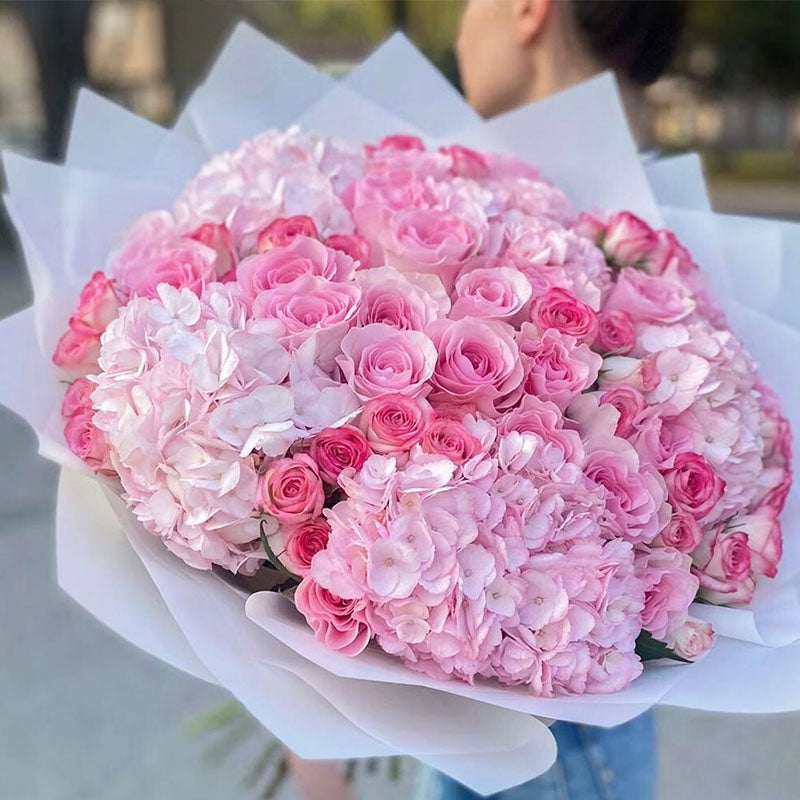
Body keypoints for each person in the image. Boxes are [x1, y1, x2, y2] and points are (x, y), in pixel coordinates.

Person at [437, 2, 686, 799]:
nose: (457, 30)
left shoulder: (619, 240)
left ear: (527, 10)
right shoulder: (654, 228)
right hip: (547, 722)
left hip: (562, 745)